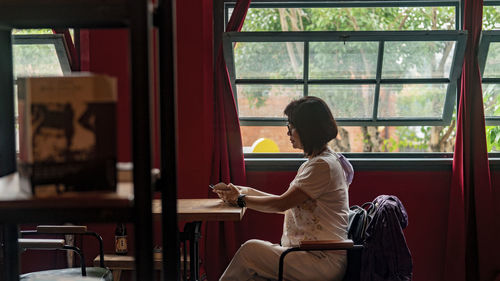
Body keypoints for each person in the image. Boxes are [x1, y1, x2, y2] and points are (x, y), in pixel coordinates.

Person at [213, 96, 354, 281]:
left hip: (320, 260)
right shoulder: (322, 161)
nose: (288, 133)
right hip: (310, 255)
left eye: (291, 127)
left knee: (250, 251)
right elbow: (286, 202)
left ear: (307, 130)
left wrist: (240, 199)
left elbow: (280, 204)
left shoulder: (322, 166)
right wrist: (242, 191)